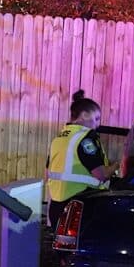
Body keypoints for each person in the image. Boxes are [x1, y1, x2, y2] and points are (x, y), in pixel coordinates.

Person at [46, 90, 119, 229]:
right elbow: (101, 175)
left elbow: (47, 173)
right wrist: (115, 165)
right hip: (80, 205)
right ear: (84, 115)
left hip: (56, 205)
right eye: (96, 118)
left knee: (62, 248)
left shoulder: (59, 138)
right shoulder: (86, 137)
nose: (98, 124)